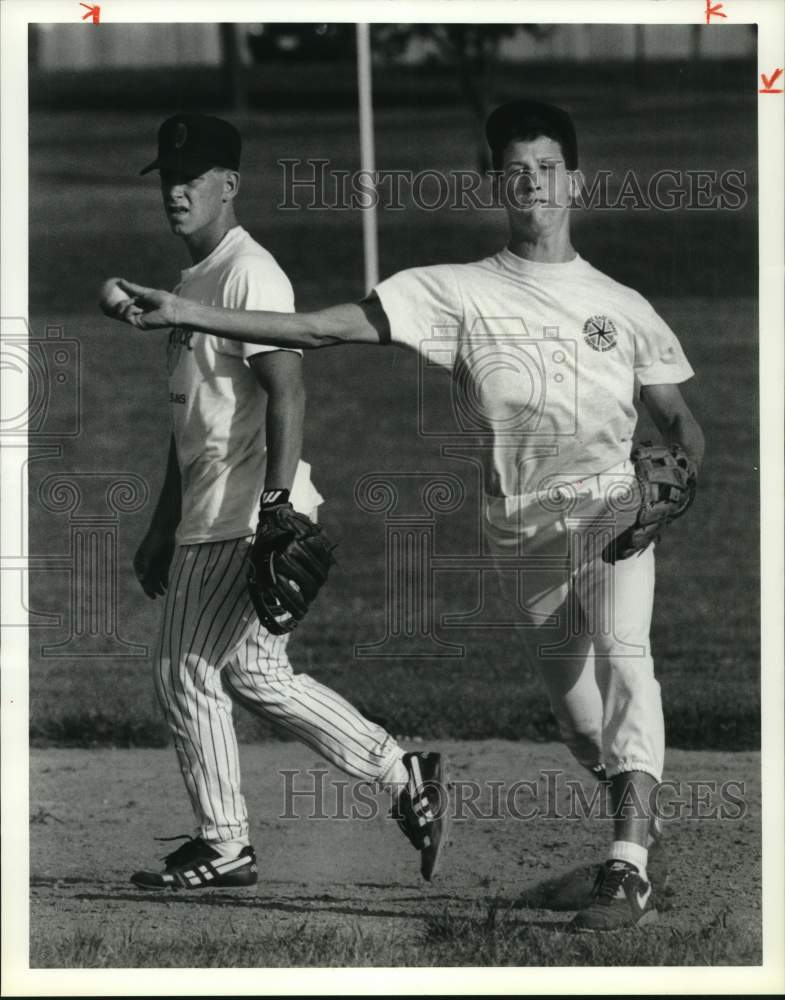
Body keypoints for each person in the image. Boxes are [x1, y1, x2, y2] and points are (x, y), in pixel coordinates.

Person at [114, 100, 705, 930]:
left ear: (574, 182)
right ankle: (636, 825)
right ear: (494, 185)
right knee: (582, 724)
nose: (531, 184)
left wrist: (673, 484)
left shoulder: (624, 305)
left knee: (625, 654)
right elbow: (314, 330)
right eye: (514, 171)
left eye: (546, 168)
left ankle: (626, 865)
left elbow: (680, 427)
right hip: (521, 535)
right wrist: (186, 313)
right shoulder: (457, 290)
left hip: (611, 510)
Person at [116, 113, 449, 891]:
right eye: (168, 178)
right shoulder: (190, 285)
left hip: (243, 513)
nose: (175, 191)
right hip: (210, 509)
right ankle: (401, 774)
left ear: (229, 185)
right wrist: (161, 525)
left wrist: (274, 506)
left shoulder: (248, 274)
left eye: (192, 178)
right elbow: (190, 423)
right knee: (257, 676)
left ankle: (224, 843)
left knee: (183, 670)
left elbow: (287, 390)